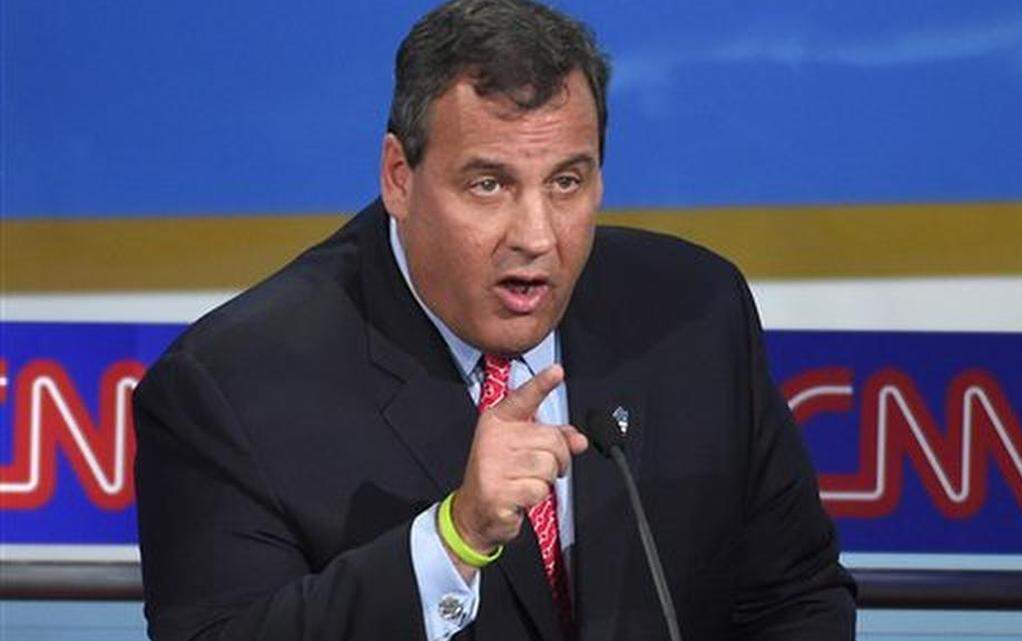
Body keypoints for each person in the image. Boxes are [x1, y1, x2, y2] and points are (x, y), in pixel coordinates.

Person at [132, 0, 856, 639]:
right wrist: (454, 540)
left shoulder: (693, 313)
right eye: (489, 184)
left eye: (566, 182)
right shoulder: (231, 388)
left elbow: (794, 598)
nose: (536, 237)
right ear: (399, 177)